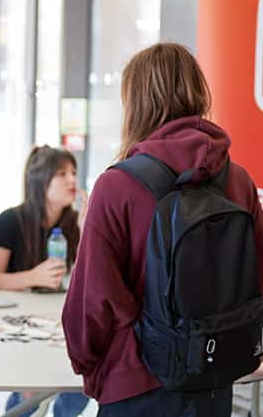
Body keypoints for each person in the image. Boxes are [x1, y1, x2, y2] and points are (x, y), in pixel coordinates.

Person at [61, 42, 263, 416]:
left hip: (134, 382)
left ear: (136, 103)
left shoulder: (117, 186)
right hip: (213, 379)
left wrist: (94, 370)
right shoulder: (240, 182)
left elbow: (90, 304)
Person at [0, 145, 89, 416]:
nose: (72, 180)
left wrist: (88, 229)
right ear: (41, 181)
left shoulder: (74, 224)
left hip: (56, 320)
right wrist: (33, 277)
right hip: (17, 325)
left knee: (80, 387)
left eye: (74, 173)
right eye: (62, 174)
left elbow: (86, 278)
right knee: (27, 395)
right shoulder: (10, 221)